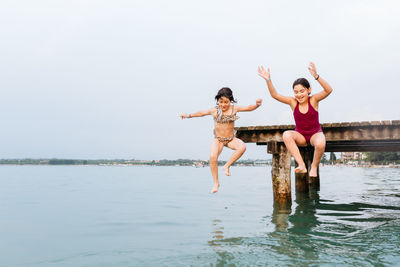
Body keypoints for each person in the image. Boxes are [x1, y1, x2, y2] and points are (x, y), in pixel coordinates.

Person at [180, 87, 262, 193]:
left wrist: (257, 105)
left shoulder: (234, 109)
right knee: (212, 157)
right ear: (218, 100)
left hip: (230, 139)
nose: (223, 105)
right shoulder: (215, 110)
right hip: (218, 139)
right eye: (221, 102)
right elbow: (201, 113)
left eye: (226, 102)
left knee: (242, 147)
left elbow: (249, 108)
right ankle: (216, 183)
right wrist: (188, 115)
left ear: (231, 101)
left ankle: (227, 166)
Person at [257, 62, 333, 177]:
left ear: (309, 90)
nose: (299, 95)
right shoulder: (293, 102)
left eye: (302, 91)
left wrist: (316, 76)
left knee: (321, 142)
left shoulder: (313, 100)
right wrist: (268, 80)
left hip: (315, 135)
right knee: (287, 135)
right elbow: (275, 95)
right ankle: (301, 165)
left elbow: (328, 90)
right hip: (301, 136)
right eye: (296, 92)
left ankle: (313, 167)